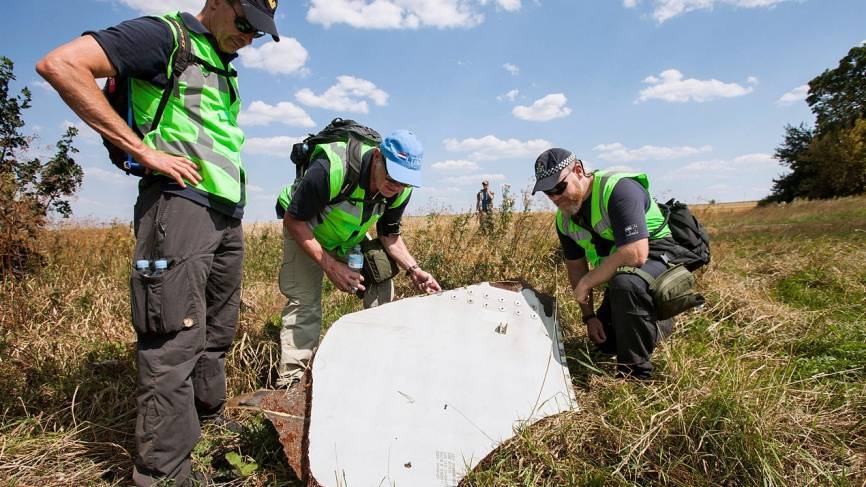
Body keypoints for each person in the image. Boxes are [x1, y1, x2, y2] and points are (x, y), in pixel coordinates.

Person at [36, 1, 280, 484]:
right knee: (173, 337)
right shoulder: (165, 37)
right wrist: (144, 150)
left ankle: (207, 422)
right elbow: (61, 64)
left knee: (215, 331)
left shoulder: (220, 64)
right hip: (178, 205)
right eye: (246, 23)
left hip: (224, 212)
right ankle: (164, 473)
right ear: (217, 4)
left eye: (260, 31)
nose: (250, 36)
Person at [275, 129, 442, 388]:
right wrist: (330, 266)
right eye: (393, 176)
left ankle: (374, 360)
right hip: (306, 229)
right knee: (305, 302)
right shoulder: (332, 169)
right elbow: (293, 220)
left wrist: (414, 270)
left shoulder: (400, 190)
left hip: (346, 238)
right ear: (377, 156)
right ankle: (291, 384)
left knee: (381, 275)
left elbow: (389, 236)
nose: (396, 186)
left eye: (405, 181)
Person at [532, 148, 684, 379]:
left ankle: (635, 374)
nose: (555, 197)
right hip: (623, 272)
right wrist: (589, 317)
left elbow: (635, 254)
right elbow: (576, 267)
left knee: (626, 284)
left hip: (660, 256)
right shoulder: (564, 220)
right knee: (607, 342)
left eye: (559, 187)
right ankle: (654, 323)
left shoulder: (618, 189)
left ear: (579, 171)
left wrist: (586, 283)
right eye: (548, 193)